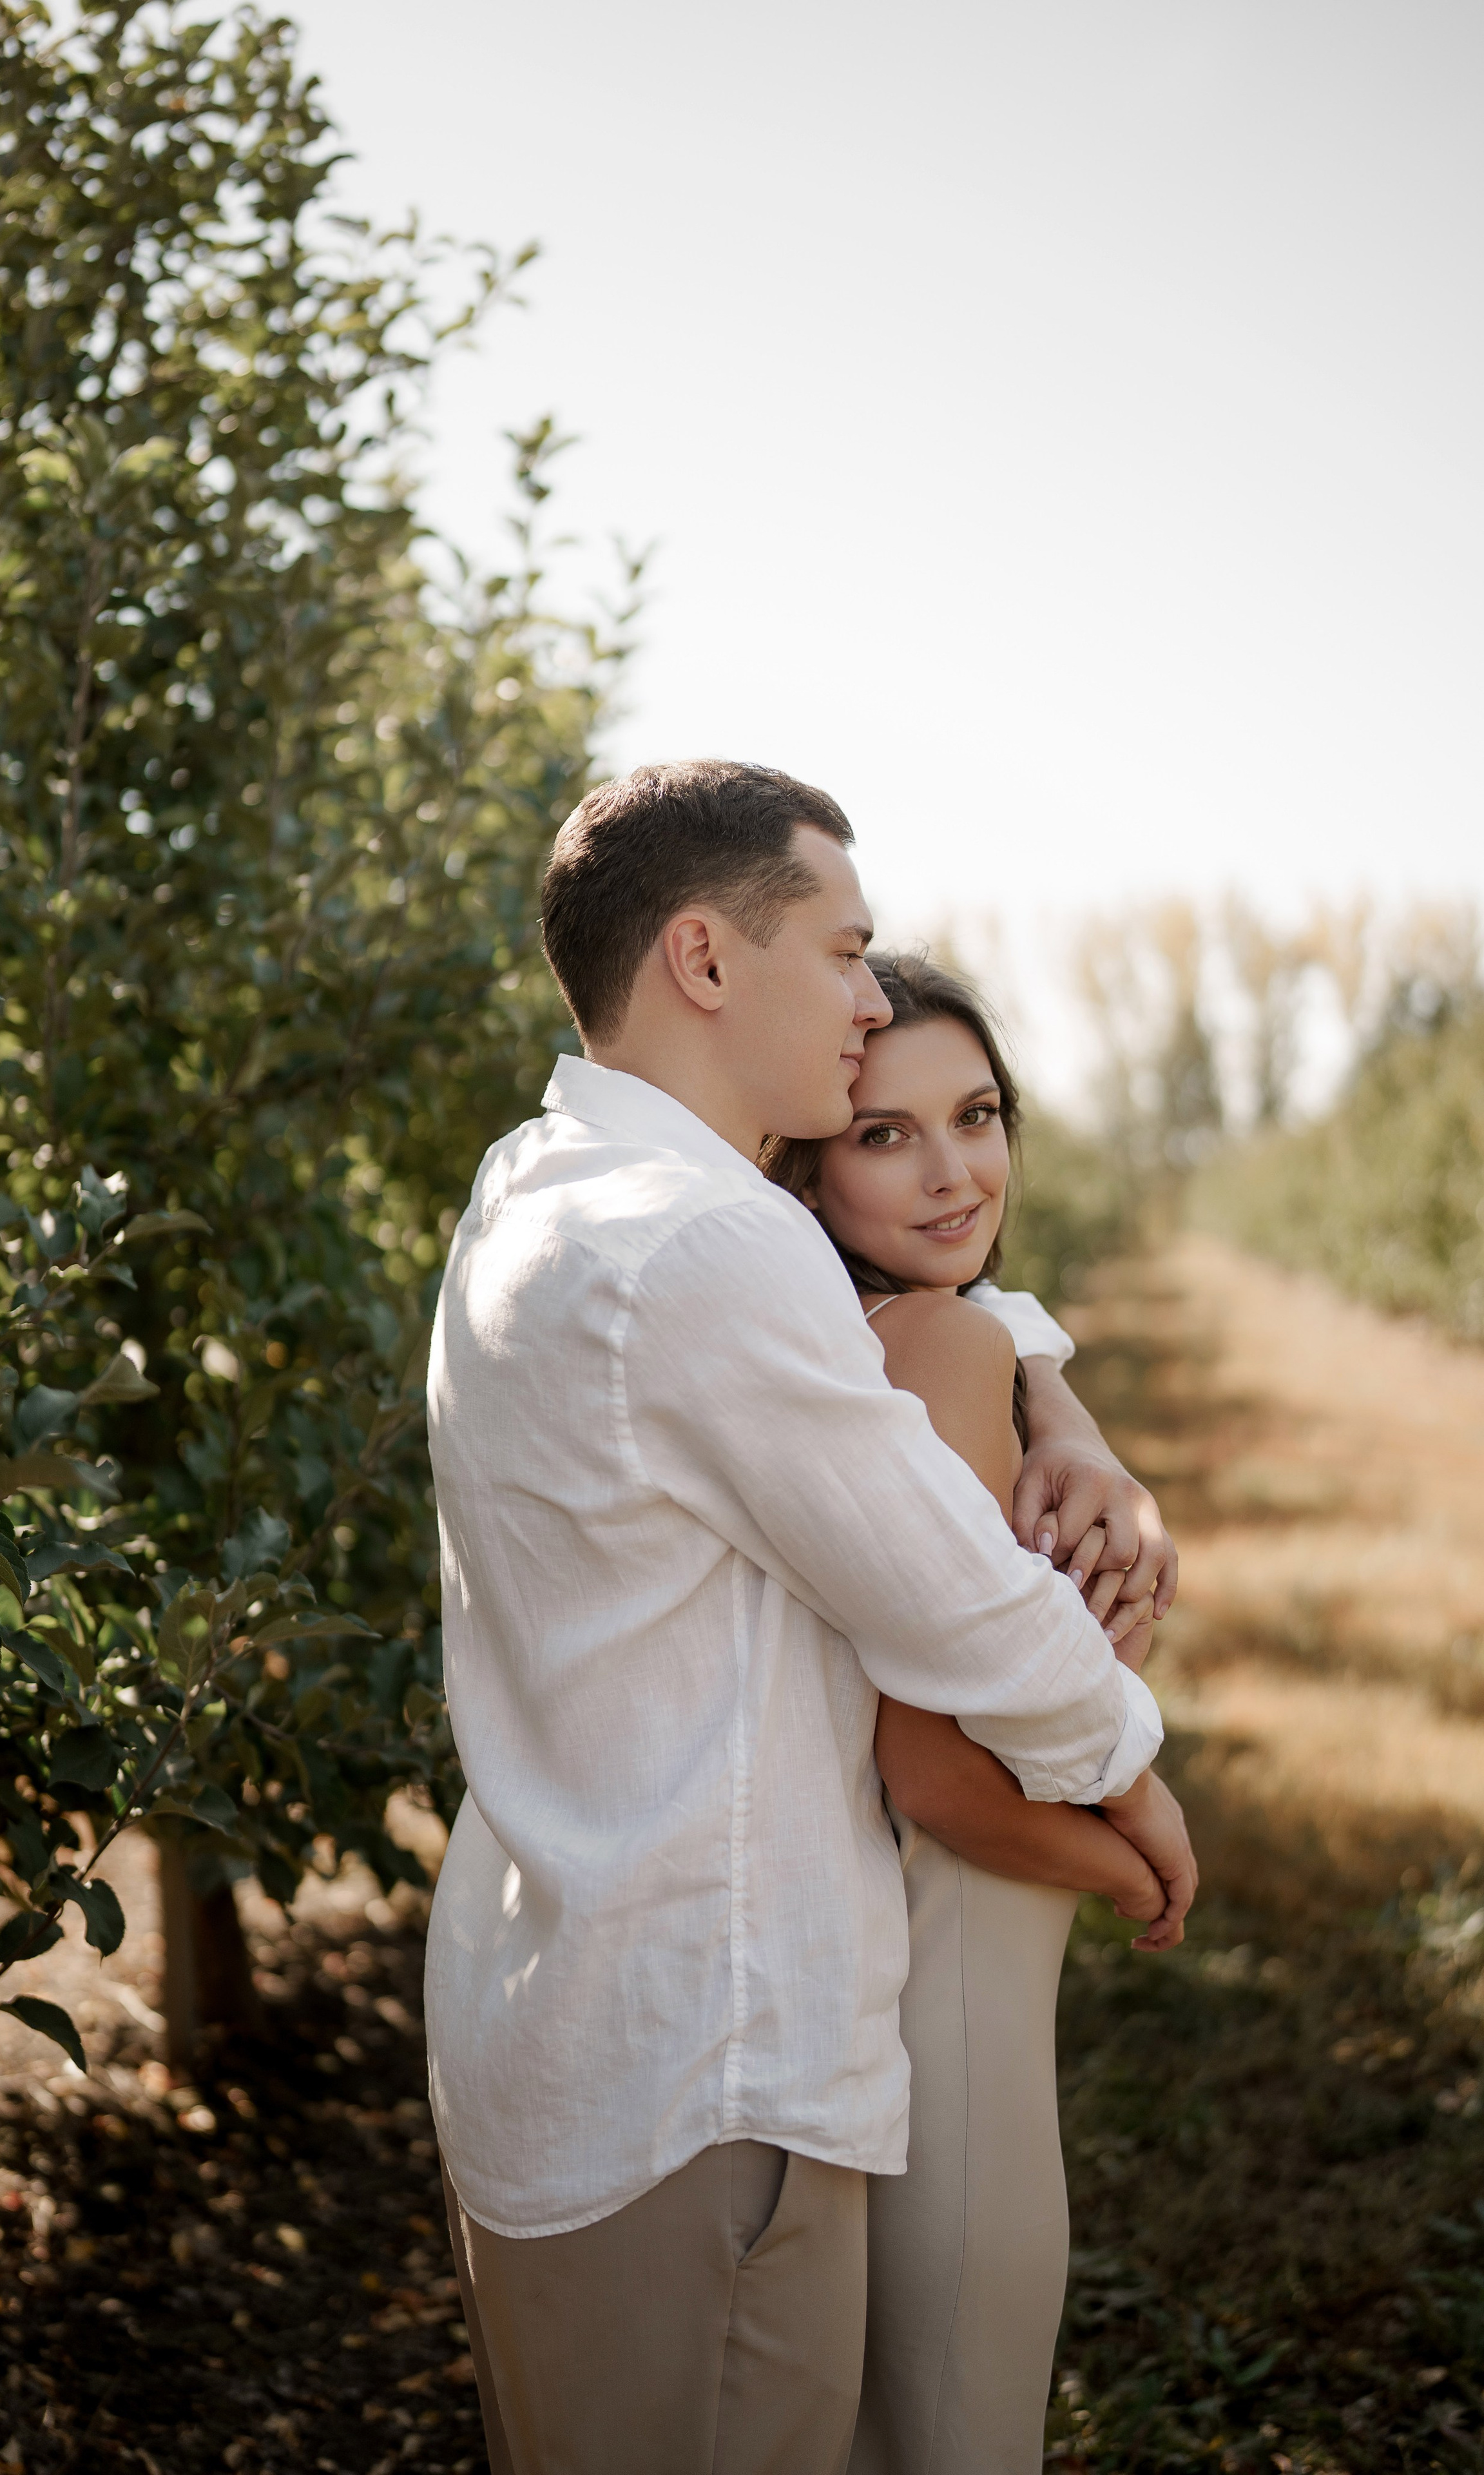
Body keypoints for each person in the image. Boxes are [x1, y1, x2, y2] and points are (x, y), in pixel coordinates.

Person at [424, 759, 1195, 2475]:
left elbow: (926, 1339)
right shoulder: (701, 1245)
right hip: (698, 2063)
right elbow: (963, 1618)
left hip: (571, 2010)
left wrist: (1047, 1387)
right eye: (844, 953)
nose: (864, 1002)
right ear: (705, 958)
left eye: (971, 1115)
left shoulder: (537, 1183)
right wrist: (1134, 1782)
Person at [765, 952, 1168, 2474]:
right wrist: (1135, 1859)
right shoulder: (932, 1346)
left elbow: (995, 1315)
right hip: (954, 1967)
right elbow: (928, 1768)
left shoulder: (909, 1331)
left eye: (976, 1115)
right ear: (804, 1167)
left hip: (916, 1969)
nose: (953, 1174)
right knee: (960, 2428)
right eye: (884, 1134)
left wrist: (1056, 1403)